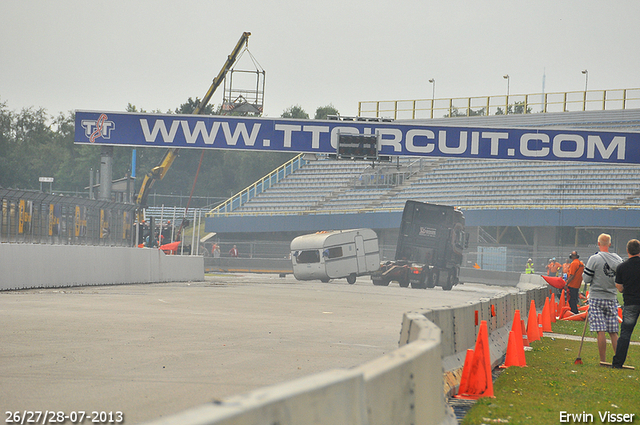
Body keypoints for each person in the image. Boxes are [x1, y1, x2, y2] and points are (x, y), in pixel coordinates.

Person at [583, 233, 622, 363]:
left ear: (598, 244)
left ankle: (603, 360)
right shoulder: (618, 259)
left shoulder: (594, 259)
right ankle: (618, 359)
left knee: (601, 330)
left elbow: (587, 279)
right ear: (610, 244)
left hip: (596, 297)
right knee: (613, 331)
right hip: (611, 297)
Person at [611, 239, 640, 368]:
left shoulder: (622, 266)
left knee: (626, 333)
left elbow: (620, 287)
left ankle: (617, 363)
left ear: (627, 251)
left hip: (631, 302)